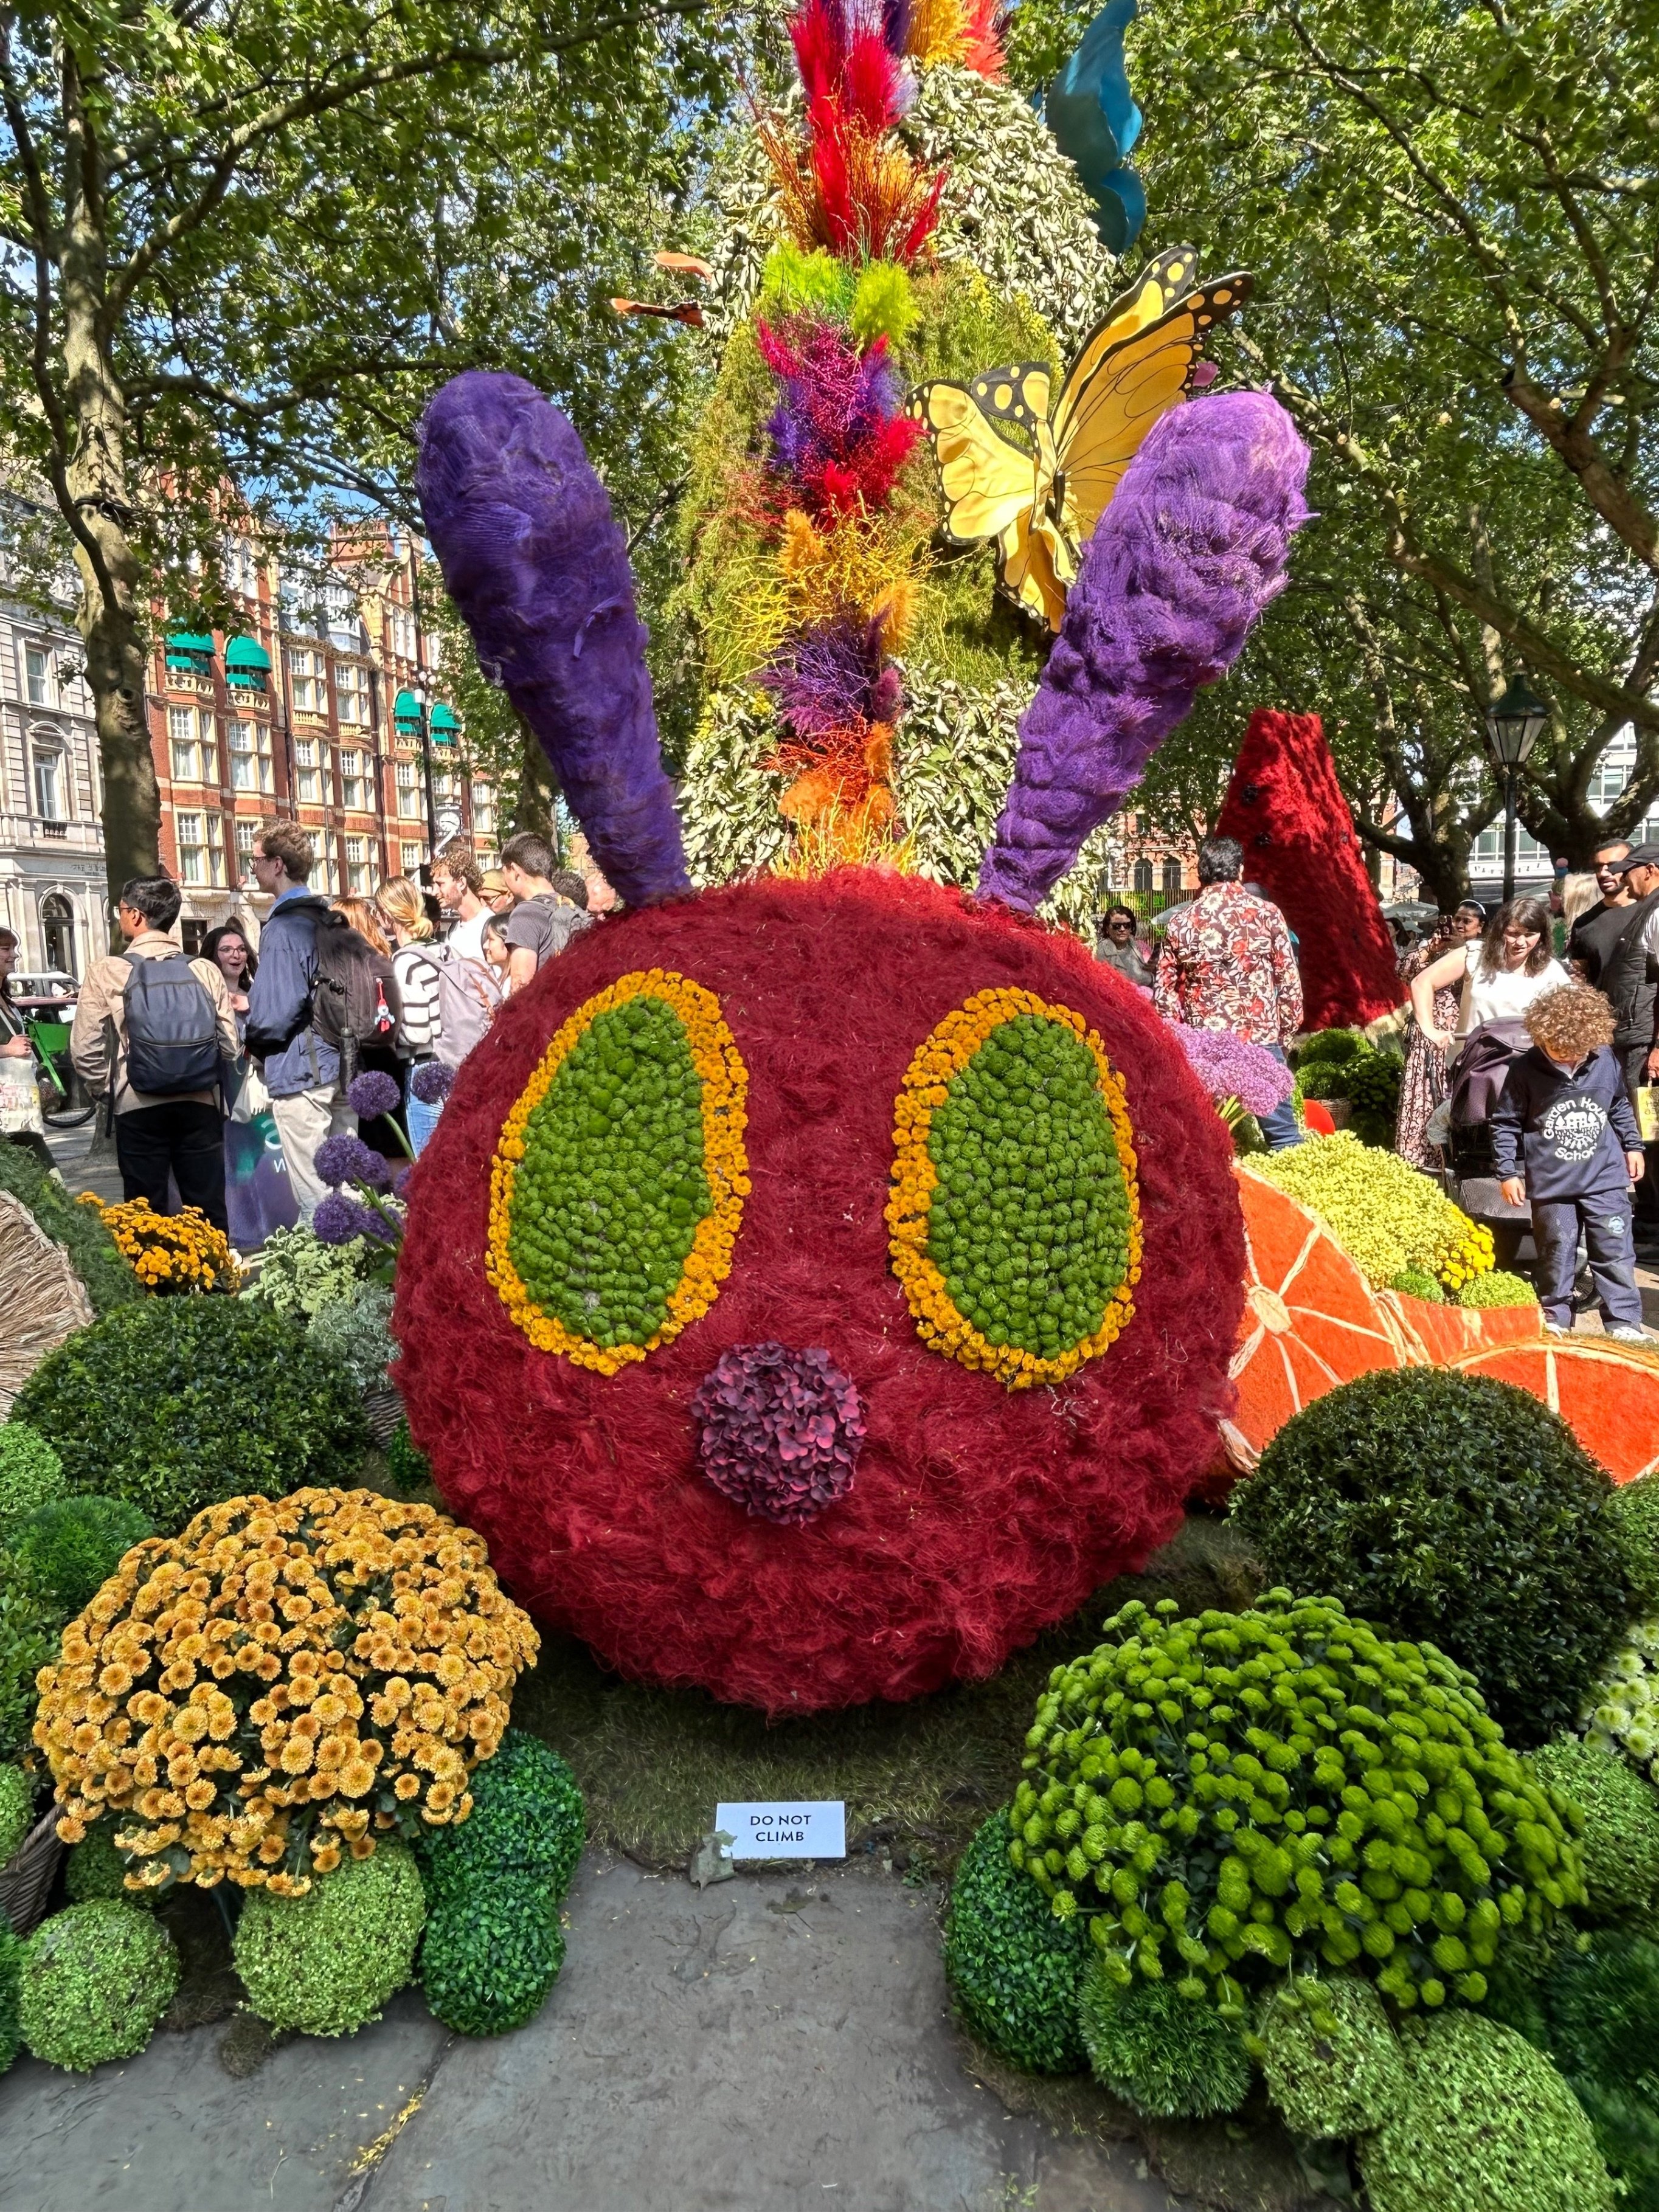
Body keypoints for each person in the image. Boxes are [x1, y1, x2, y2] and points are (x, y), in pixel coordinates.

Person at [70, 877, 238, 1229]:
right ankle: (217, 1279)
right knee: (207, 1207)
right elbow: (230, 1044)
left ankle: (157, 1283)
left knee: (146, 1212)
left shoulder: (108, 970)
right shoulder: (203, 969)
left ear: (135, 915)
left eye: (120, 911)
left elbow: (85, 1048)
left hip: (138, 1103)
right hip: (200, 1102)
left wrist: (107, 1089)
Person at [1492, 983, 1649, 1341]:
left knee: (1615, 1250)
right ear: (1540, 1036)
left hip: (1605, 1177)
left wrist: (1633, 1146)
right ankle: (1555, 1316)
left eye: (1575, 1052)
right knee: (1556, 1251)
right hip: (1553, 1184)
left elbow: (1619, 1104)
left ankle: (1624, 1321)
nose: (1566, 1058)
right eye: (1556, 1050)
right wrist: (1508, 1170)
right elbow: (1506, 1123)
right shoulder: (1524, 1069)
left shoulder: (1605, 1058)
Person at [1152, 836, 1303, 1147]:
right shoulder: (1266, 914)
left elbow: (1164, 994)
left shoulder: (1180, 922)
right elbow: (1289, 981)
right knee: (1285, 1140)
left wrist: (1183, 1041)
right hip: (1260, 1038)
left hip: (1207, 1047)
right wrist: (1284, 1035)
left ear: (1200, 872)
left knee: (1203, 1143)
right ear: (1240, 870)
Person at [243, 824, 356, 1225]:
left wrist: (248, 1038)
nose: (252, 867)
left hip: (302, 1071)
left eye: (256, 859)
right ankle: (369, 1272)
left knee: (316, 1200)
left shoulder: (283, 928)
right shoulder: (332, 919)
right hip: (343, 1066)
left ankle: (332, 1285)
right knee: (349, 1188)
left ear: (277, 864)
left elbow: (276, 1011)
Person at [201, 921, 298, 1249]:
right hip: (223, 1086)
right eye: (226, 949)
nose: (236, 955)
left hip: (257, 1084)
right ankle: (240, 1226)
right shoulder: (204, 996)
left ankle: (273, 1222)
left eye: (241, 949)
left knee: (264, 1154)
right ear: (213, 956)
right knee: (233, 1157)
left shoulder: (258, 994)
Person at [1408, 894, 1570, 1056]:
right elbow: (1421, 983)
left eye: (1529, 935)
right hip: (1474, 1065)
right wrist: (1430, 1030)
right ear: (1500, 931)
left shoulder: (1552, 971)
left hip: (1525, 1069)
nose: (1520, 943)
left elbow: (1574, 1013)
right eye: (1513, 934)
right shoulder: (1475, 955)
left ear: (1542, 936)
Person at [1394, 902, 1484, 1169]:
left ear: (1481, 927)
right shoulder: (1433, 948)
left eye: (1467, 921)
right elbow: (1402, 972)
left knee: (1444, 1088)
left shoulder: (1477, 955)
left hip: (1454, 1030)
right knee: (1420, 1087)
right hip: (1426, 1029)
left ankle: (1444, 1152)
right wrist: (1431, 949)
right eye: (1456, 919)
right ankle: (1416, 1152)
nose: (1459, 925)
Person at [331, 894, 404, 1158]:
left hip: (357, 1059)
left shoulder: (343, 969)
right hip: (389, 1055)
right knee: (395, 1144)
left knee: (364, 1145)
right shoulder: (384, 959)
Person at [378, 876, 445, 1156]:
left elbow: (417, 1031)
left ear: (387, 915)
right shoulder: (443, 949)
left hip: (423, 1069)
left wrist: (387, 1033)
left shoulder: (405, 961)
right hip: (451, 1060)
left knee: (429, 1166)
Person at [499, 833, 592, 989]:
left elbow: (521, 984)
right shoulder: (571, 907)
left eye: (504, 872)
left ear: (515, 871)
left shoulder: (526, 914)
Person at [0, 924, 52, 1169]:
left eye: (14, 948)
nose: (14, 955)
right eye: (5, 948)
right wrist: (7, 1051)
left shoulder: (5, 996)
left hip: (17, 1107)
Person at [432, 842, 489, 962]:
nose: (435, 892)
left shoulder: (490, 925)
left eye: (440, 884)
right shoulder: (454, 929)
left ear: (461, 883)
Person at [1095, 903, 1152, 987]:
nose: (1122, 929)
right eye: (1117, 926)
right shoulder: (1101, 950)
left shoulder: (1133, 945)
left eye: (1126, 925)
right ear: (1107, 928)